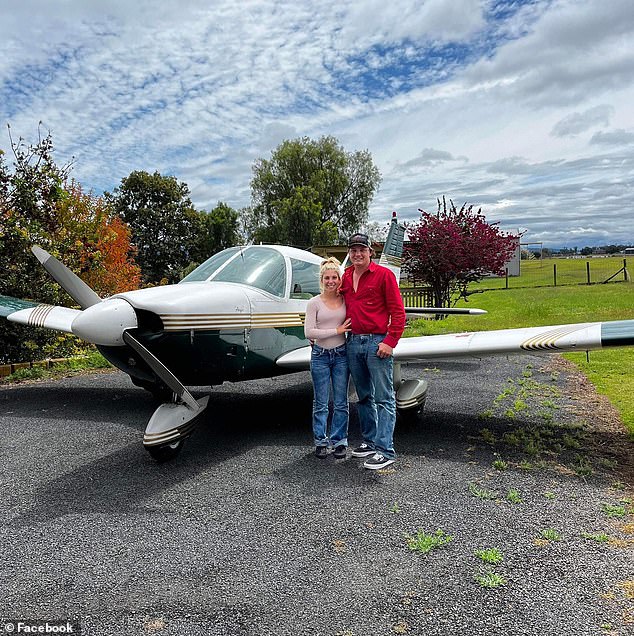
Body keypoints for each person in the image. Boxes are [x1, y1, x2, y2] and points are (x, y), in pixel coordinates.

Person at [340, 233, 406, 470]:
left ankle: (385, 449)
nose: (357, 254)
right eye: (353, 250)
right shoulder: (346, 277)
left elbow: (398, 312)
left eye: (362, 250)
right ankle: (369, 441)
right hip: (353, 342)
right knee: (364, 396)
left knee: (384, 397)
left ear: (370, 252)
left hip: (376, 342)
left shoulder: (384, 275)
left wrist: (390, 341)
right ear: (349, 253)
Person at [304, 257, 352, 459]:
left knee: (341, 402)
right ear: (321, 280)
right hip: (320, 356)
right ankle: (321, 441)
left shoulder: (345, 300)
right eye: (327, 278)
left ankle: (339, 441)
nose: (331, 281)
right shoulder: (313, 303)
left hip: (341, 354)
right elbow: (309, 332)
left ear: (340, 280)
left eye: (334, 277)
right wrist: (337, 330)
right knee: (321, 402)